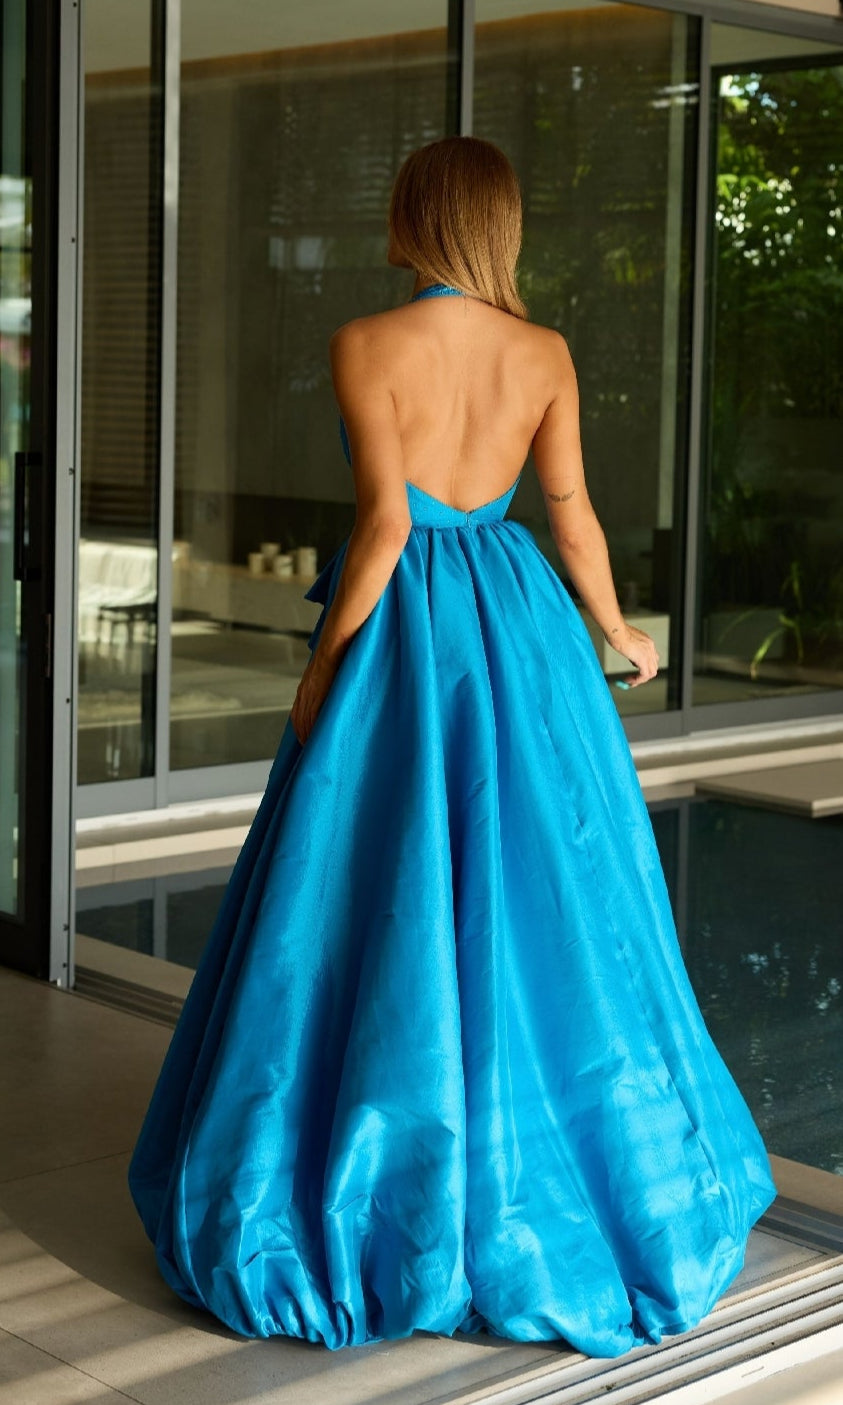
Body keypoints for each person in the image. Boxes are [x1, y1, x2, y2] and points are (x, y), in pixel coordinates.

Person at [127, 135, 777, 1355]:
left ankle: (381, 1175)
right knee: (544, 896)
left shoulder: (363, 343)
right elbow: (571, 517)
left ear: (416, 216)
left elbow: (383, 527)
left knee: (377, 887)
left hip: (408, 637)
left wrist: (321, 669)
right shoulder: (545, 353)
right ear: (501, 226)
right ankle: (544, 1175)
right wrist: (616, 628)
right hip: (520, 631)